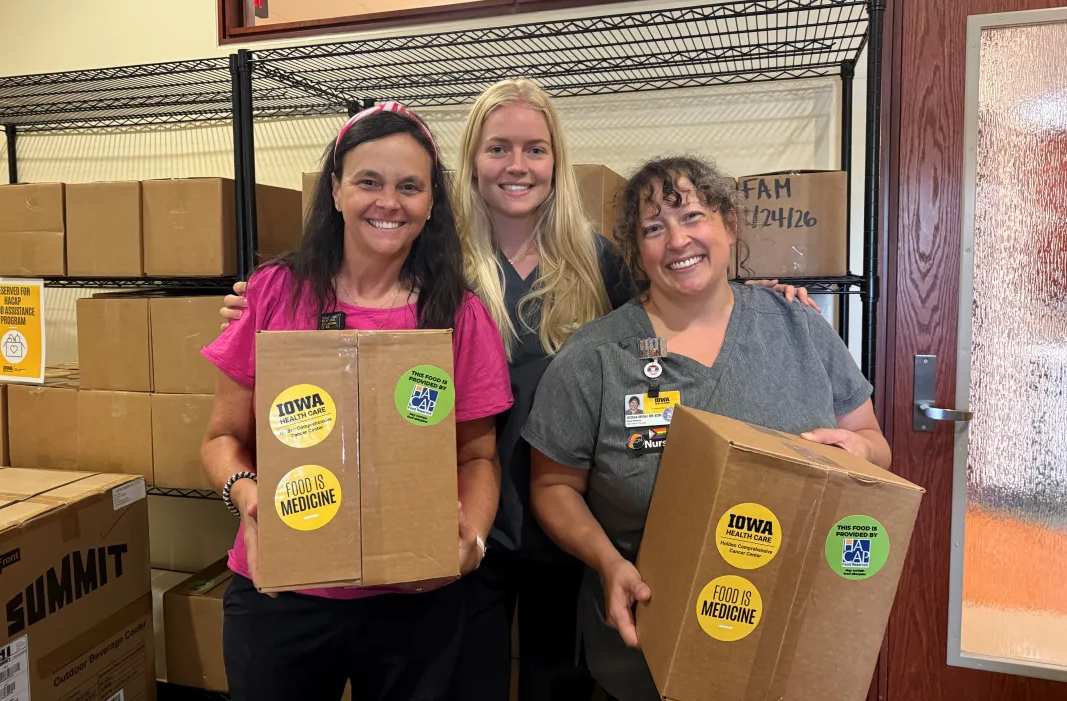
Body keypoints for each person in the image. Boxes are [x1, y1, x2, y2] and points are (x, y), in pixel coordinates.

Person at [219, 81, 819, 701]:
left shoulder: (595, 260)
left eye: (535, 149)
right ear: (471, 163)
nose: (517, 165)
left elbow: (668, 315)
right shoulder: (437, 265)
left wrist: (752, 296)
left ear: (556, 160)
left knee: (553, 684)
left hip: (569, 522)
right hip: (463, 519)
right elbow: (345, 295)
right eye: (497, 148)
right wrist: (257, 302)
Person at [521, 155, 890, 701]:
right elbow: (553, 487)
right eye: (654, 228)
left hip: (788, 642)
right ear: (637, 251)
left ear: (729, 224)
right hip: (649, 646)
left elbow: (875, 446)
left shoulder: (800, 327)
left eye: (693, 216)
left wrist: (860, 450)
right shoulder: (594, 357)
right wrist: (608, 562)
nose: (677, 240)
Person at [201, 103, 513, 701]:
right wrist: (249, 498)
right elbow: (221, 439)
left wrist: (470, 544)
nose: (388, 202)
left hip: (414, 599)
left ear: (432, 202)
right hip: (284, 594)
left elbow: (477, 457)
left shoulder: (458, 315)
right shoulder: (273, 294)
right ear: (336, 190)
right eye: (369, 181)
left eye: (410, 187)